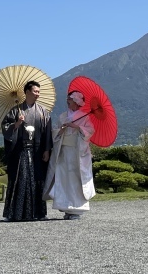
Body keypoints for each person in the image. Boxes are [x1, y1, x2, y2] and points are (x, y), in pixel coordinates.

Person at [1, 80, 53, 221]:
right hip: (21, 152)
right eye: (35, 91)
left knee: (37, 181)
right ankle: (15, 213)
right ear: (27, 92)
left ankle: (39, 213)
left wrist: (47, 150)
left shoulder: (43, 112)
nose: (38, 94)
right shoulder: (15, 111)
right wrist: (17, 123)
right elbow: (5, 128)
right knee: (20, 180)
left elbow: (48, 133)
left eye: (39, 92)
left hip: (37, 151)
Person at [44, 91, 96, 220]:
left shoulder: (85, 116)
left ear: (77, 102)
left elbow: (90, 131)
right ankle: (66, 207)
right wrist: (61, 130)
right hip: (63, 151)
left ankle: (77, 209)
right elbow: (55, 132)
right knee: (63, 178)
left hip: (76, 152)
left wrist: (77, 127)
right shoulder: (62, 116)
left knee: (76, 179)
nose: (67, 101)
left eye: (70, 99)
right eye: (68, 99)